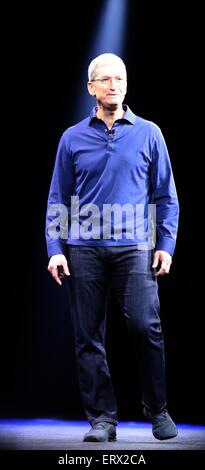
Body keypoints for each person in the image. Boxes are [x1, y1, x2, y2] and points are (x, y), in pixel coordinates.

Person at [46, 53, 179, 442]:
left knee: (145, 327)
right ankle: (102, 420)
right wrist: (55, 247)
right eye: (105, 80)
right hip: (83, 249)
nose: (113, 85)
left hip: (134, 245)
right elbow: (59, 197)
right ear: (91, 87)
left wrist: (165, 243)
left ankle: (158, 410)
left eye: (119, 78)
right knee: (87, 335)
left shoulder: (149, 133)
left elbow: (166, 196)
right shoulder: (72, 137)